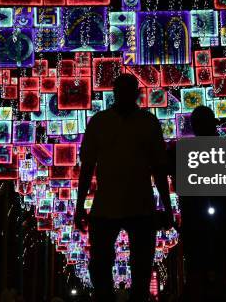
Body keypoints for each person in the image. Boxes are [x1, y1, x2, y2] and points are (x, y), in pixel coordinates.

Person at [74, 74, 174, 302]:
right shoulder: (100, 122)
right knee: (100, 266)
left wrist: (167, 208)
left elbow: (159, 170)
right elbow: (87, 168)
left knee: (141, 269)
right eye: (122, 90)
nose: (126, 95)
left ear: (136, 93)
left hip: (140, 207)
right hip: (106, 206)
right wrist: (79, 207)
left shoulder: (148, 122)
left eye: (130, 90)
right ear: (115, 93)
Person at [180, 106, 226, 301]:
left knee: (218, 261)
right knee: (198, 263)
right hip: (196, 215)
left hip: (219, 212)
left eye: (204, 123)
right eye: (198, 124)